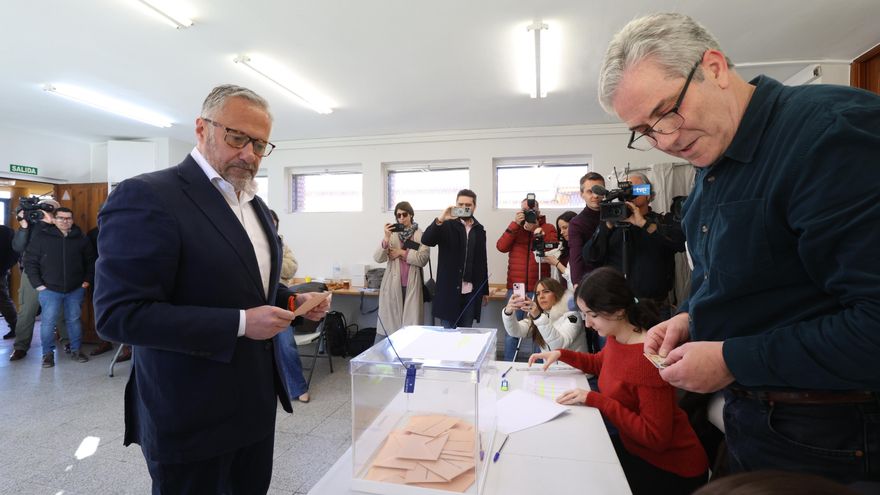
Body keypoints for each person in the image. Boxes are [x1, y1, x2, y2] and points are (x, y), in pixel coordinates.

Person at [599, 12, 880, 487]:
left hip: (832, 439)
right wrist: (689, 319)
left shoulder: (829, 134)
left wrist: (731, 359)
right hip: (757, 424)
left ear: (712, 67)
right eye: (645, 130)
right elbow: (742, 282)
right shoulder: (711, 167)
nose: (665, 140)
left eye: (667, 112)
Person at [94, 84, 330, 494]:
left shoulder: (252, 205)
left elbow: (247, 287)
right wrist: (241, 323)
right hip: (190, 415)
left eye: (259, 143)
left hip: (255, 409)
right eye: (237, 137)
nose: (249, 154)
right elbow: (119, 315)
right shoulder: (149, 195)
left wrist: (292, 302)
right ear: (201, 129)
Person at [529, 267, 708, 495]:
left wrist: (596, 399)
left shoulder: (648, 359)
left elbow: (655, 438)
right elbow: (600, 363)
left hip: (670, 469)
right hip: (636, 449)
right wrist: (562, 354)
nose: (587, 324)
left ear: (617, 311)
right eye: (585, 315)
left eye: (592, 315)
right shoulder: (619, 337)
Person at [584, 172, 685, 318]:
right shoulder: (611, 225)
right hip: (615, 309)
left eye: (636, 189)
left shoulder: (662, 221)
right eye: (626, 189)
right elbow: (590, 257)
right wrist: (607, 226)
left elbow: (680, 243)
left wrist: (644, 224)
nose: (630, 192)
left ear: (648, 194)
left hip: (654, 308)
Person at [24, 207, 96, 367]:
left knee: (74, 320)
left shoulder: (81, 238)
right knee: (48, 323)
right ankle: (47, 355)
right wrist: (38, 284)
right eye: (61, 218)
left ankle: (76, 350)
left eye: (68, 218)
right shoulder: (42, 237)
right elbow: (30, 262)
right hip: (49, 289)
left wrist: (87, 280)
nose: (65, 221)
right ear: (54, 219)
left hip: (75, 288)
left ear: (72, 220)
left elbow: (91, 261)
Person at [496, 197, 558, 359]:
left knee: (539, 330)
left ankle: (538, 365)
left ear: (538, 211)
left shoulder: (548, 227)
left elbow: (554, 249)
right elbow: (501, 247)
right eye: (525, 211)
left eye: (532, 211)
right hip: (517, 288)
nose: (529, 213)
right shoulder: (515, 229)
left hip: (539, 289)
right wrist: (515, 225)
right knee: (512, 330)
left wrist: (537, 230)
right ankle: (509, 362)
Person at [9, 200, 68, 361]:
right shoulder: (30, 225)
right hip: (32, 274)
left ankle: (67, 341)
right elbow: (18, 246)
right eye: (41, 209)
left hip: (56, 273)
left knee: (61, 310)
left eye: (49, 209)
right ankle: (20, 347)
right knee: (27, 311)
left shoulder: (62, 223)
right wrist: (23, 226)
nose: (43, 212)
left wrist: (54, 223)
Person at [421, 189, 489, 328]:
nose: (464, 208)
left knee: (465, 335)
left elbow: (482, 262)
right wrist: (440, 219)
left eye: (468, 205)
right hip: (449, 292)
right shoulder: (446, 225)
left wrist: (484, 291)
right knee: (448, 337)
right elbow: (427, 240)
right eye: (460, 204)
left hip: (470, 293)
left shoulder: (479, 230)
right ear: (455, 205)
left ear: (474, 207)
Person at [268, 209, 311, 404]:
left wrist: (272, 259)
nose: (272, 225)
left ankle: (298, 387)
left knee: (286, 345)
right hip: (255, 300)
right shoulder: (250, 241)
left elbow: (292, 267)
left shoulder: (281, 244)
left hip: (279, 298)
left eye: (274, 222)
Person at [373, 201, 430, 334]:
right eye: (398, 215)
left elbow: (423, 259)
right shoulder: (392, 236)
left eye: (404, 214)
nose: (402, 218)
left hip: (412, 284)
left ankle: (408, 353)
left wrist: (401, 253)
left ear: (411, 215)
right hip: (393, 285)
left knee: (410, 328)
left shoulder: (420, 235)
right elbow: (378, 258)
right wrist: (386, 238)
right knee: (391, 327)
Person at [502, 277, 586, 358]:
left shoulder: (573, 316)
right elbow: (516, 331)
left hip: (573, 371)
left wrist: (538, 317)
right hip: (549, 370)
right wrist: (508, 312)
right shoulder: (543, 315)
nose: (541, 296)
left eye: (546, 291)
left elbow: (559, 345)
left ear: (557, 293)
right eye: (537, 294)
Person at [567, 172, 605, 287]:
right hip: (591, 283)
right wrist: (577, 283)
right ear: (581, 194)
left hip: (617, 280)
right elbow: (576, 256)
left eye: (599, 190)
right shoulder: (576, 223)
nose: (595, 195)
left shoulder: (618, 216)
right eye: (590, 191)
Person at [543, 210, 577, 288]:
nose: (561, 232)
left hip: (575, 293)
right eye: (560, 229)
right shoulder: (562, 247)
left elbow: (574, 277)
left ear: (575, 226)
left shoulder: (582, 249)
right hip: (563, 293)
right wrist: (538, 238)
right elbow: (539, 258)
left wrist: (557, 264)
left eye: (565, 228)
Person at [268, 210, 298, 286]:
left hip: (280, 290)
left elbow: (292, 268)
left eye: (273, 225)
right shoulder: (253, 243)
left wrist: (271, 262)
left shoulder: (282, 245)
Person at [0, 224, 18, 339]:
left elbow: (15, 252)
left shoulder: (5, 232)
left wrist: (4, 268)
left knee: (3, 300)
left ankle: (15, 327)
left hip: (0, 271)